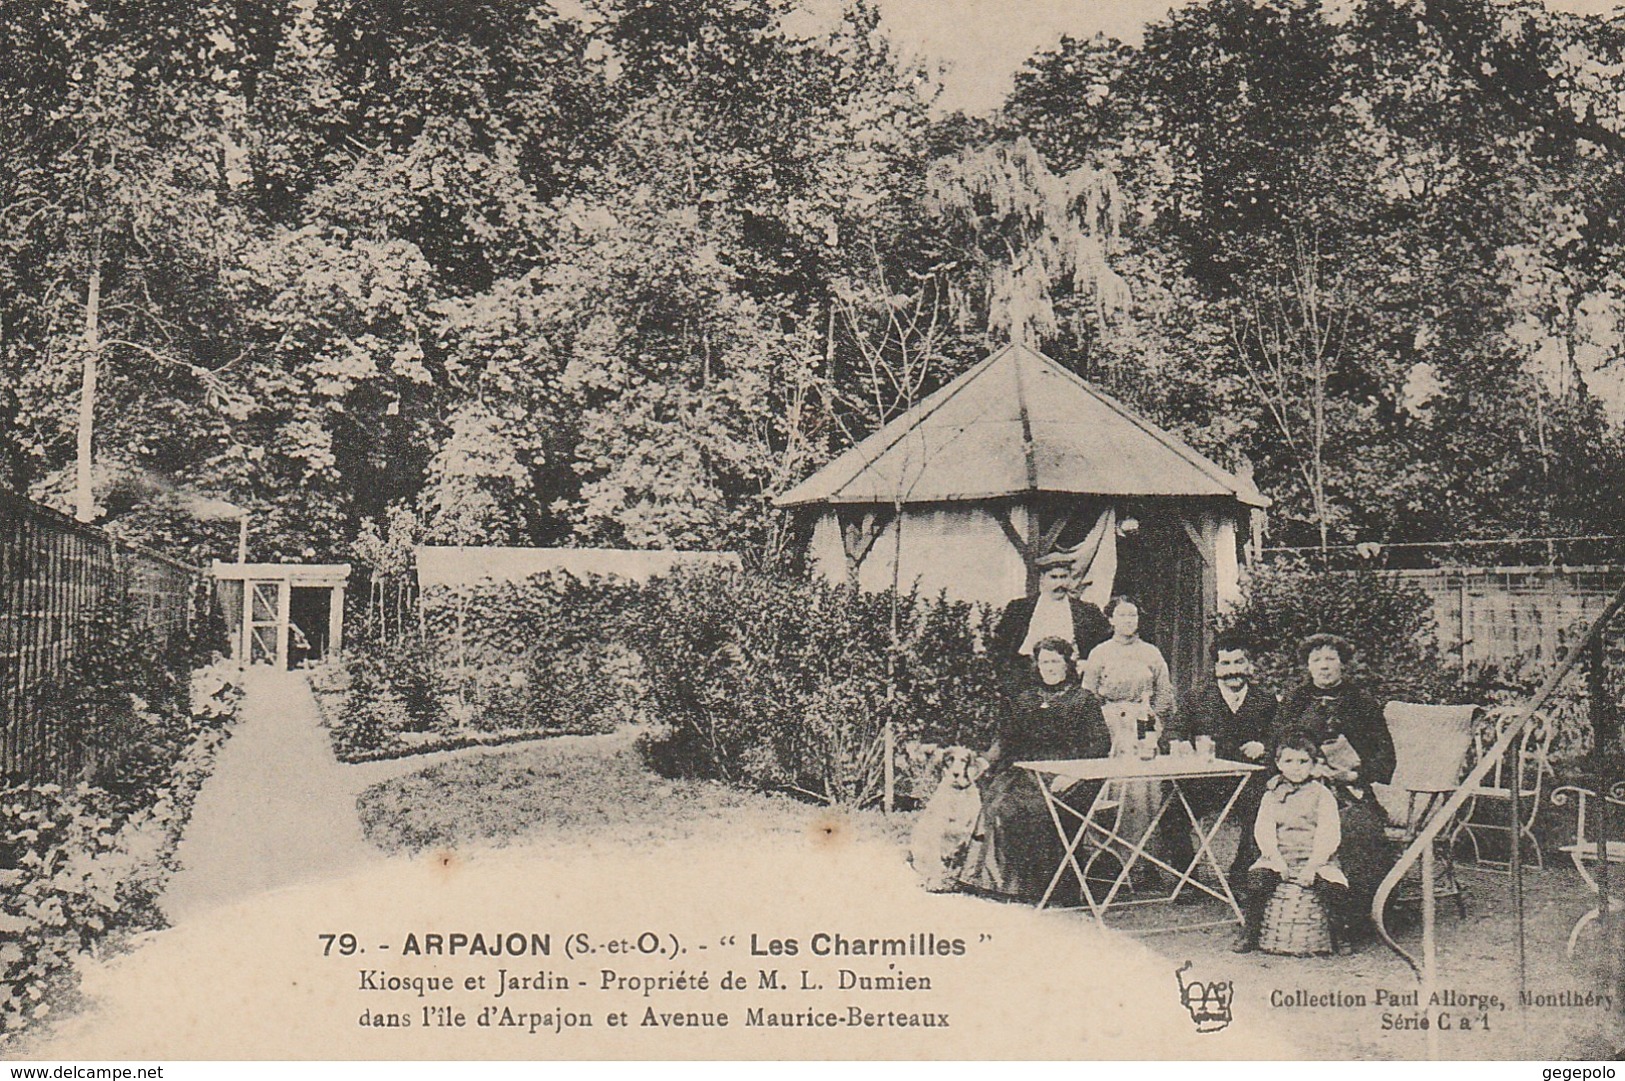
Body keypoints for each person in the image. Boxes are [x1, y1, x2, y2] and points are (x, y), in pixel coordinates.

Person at [959, 636, 1111, 903]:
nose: (1049, 667)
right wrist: (984, 762)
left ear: (1067, 663)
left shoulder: (1083, 700)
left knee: (1034, 807)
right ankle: (996, 883)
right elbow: (1006, 739)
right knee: (998, 803)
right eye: (1044, 662)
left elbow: (1099, 745)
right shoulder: (1024, 699)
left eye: (1055, 661)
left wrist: (1072, 774)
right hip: (1027, 771)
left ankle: (1039, 887)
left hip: (1068, 774)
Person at [1274, 633, 1396, 949]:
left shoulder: (1363, 701)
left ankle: (1357, 917)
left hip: (1349, 789)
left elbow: (1386, 758)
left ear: (1342, 663)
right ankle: (1277, 912)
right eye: (1316, 660)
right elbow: (1276, 746)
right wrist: (1302, 769)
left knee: (1358, 828)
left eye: (1330, 659)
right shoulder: (1295, 700)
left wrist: (1354, 772)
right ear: (1308, 666)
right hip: (1303, 787)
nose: (1324, 666)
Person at [1165, 632, 1277, 885]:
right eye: (1225, 664)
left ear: (1249, 665)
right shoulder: (1196, 699)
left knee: (1263, 809)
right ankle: (1187, 876)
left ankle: (1242, 874)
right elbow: (1173, 729)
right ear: (1215, 667)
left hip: (1248, 783)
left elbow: (1281, 738)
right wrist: (1179, 743)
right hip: (1204, 782)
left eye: (1239, 662)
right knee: (1171, 811)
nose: (1232, 670)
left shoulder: (1266, 701)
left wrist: (1264, 746)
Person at [1081, 596, 1175, 886]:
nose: (1128, 621)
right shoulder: (1099, 653)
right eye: (1122, 616)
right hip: (1109, 724)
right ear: (1110, 619)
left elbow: (1164, 694)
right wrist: (1099, 727)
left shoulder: (1151, 653)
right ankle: (1107, 863)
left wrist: (1152, 725)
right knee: (1111, 792)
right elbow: (1087, 696)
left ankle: (1143, 865)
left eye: (1133, 616)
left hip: (1142, 722)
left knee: (1144, 793)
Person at [1233, 730, 1349, 954]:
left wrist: (1312, 866)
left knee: (1334, 888)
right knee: (1257, 882)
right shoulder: (1272, 795)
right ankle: (1251, 931)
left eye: (1303, 762)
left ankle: (1338, 933)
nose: (1296, 767)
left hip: (1315, 860)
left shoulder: (1322, 795)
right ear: (1278, 763)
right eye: (1289, 761)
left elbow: (1329, 834)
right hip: (1280, 857)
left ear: (1314, 765)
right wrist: (1277, 860)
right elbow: (1264, 830)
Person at [991, 552, 1111, 680]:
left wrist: (1088, 664)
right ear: (1042, 579)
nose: (1060, 583)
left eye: (1064, 577)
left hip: (1071, 677)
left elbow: (1104, 646)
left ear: (1070, 578)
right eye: (1054, 577)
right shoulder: (1019, 608)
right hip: (1026, 676)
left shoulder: (1087, 611)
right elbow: (1001, 646)